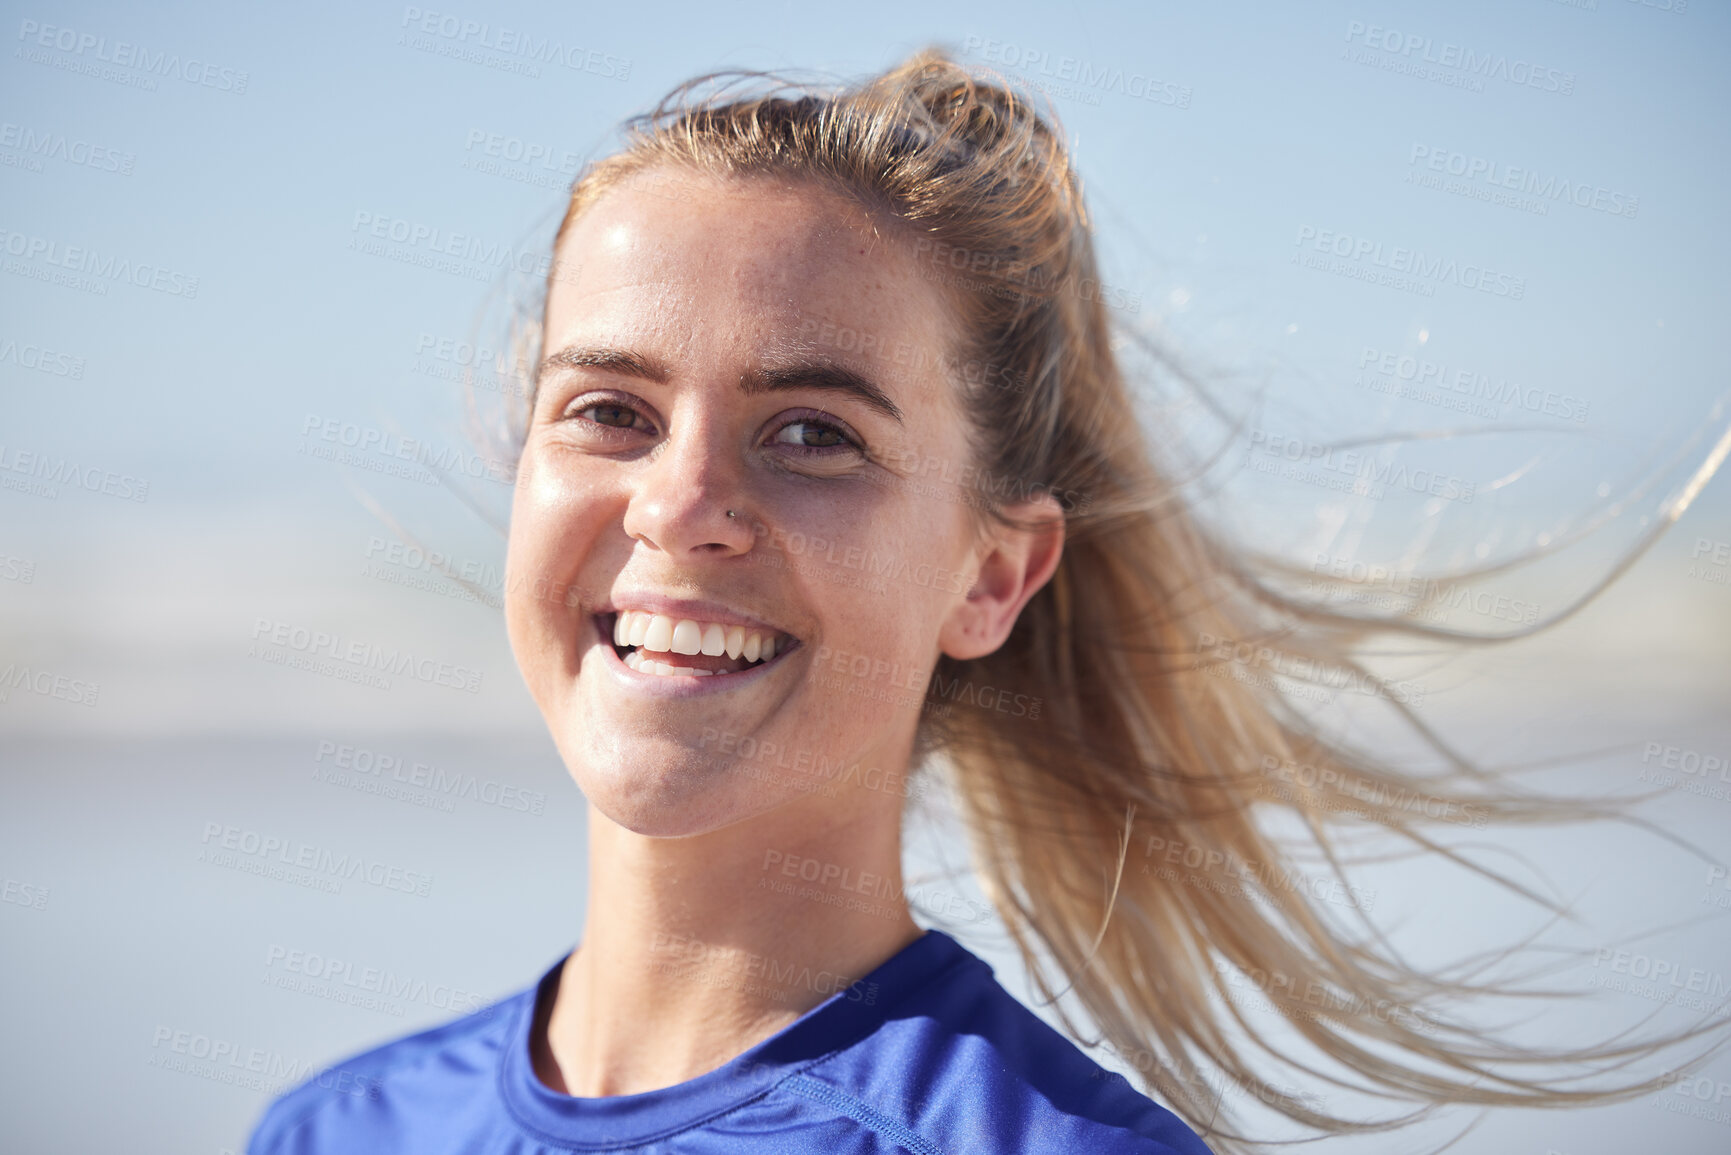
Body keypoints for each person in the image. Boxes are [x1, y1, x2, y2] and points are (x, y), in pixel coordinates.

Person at [245, 49, 1715, 1155]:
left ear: (994, 573)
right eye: (610, 412)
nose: (678, 506)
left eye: (814, 432)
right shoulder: (332, 1130)